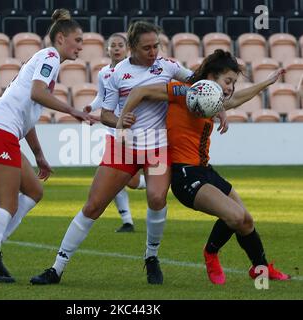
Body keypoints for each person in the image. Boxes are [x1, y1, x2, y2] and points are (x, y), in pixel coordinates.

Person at [30, 20, 197, 286]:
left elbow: (198, 83)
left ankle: (151, 257)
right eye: (146, 48)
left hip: (156, 147)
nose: (153, 52)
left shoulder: (168, 66)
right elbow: (106, 115)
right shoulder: (116, 74)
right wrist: (119, 119)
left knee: (156, 198)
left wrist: (219, 103)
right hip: (124, 146)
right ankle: (57, 268)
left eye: (156, 46)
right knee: (93, 206)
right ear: (132, 47)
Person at [117, 49, 291, 285]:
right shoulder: (185, 91)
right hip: (185, 175)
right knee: (235, 216)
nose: (230, 87)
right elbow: (141, 91)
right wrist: (122, 121)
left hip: (206, 170)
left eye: (233, 82)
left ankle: (260, 269)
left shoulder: (215, 99)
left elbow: (237, 99)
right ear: (211, 76)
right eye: (227, 80)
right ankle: (210, 253)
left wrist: (267, 82)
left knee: (246, 221)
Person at [0, 8, 97, 283]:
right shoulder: (50, 57)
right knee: (6, 204)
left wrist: (39, 155)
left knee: (34, 190)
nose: (80, 47)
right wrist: (74, 111)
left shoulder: (46, 62)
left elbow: (27, 116)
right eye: (78, 40)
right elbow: (36, 93)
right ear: (61, 38)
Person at [84, 33, 147, 233]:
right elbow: (101, 96)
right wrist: (90, 107)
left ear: (127, 48)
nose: (117, 48)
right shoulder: (104, 73)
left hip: (135, 128)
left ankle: (162, 180)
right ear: (107, 49)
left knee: (132, 181)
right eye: (113, 45)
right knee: (116, 179)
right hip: (114, 129)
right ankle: (127, 221)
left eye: (121, 45)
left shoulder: (135, 70)